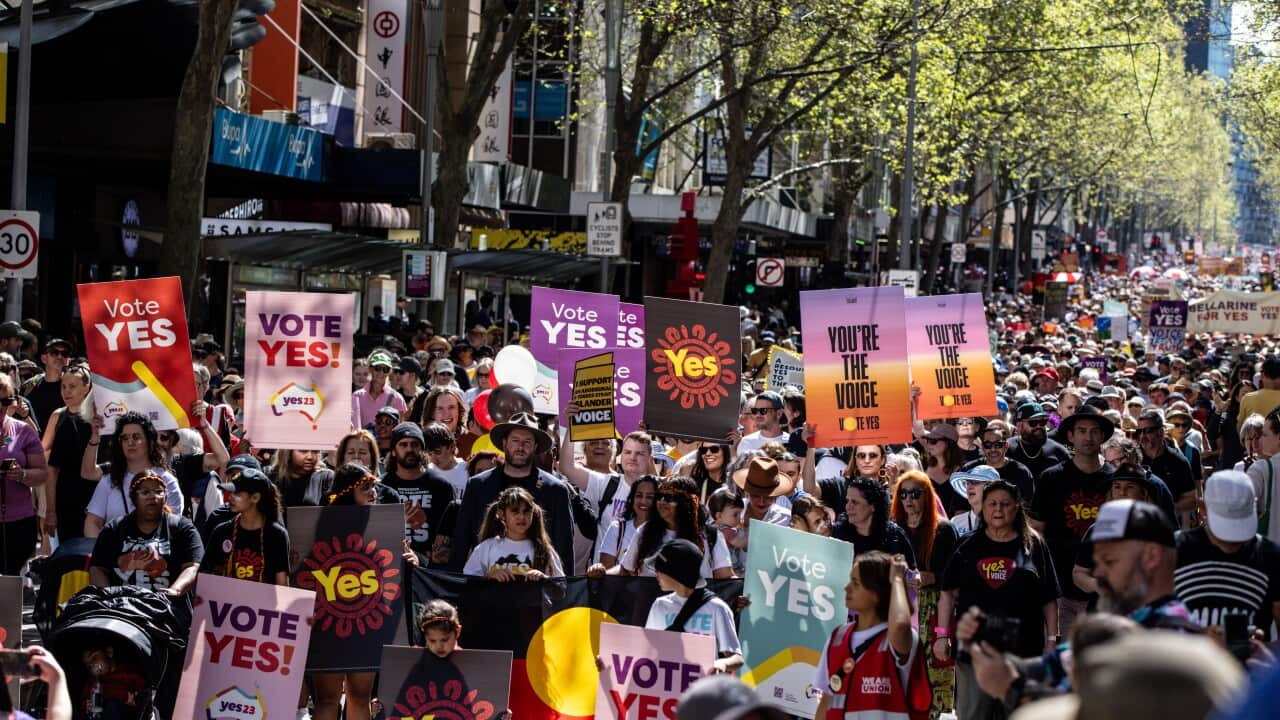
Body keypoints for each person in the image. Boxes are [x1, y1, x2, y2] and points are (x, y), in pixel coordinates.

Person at [939, 480, 1060, 720]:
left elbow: (1049, 599)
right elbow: (947, 592)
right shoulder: (967, 545)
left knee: (1020, 714)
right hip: (974, 651)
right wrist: (942, 634)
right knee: (974, 714)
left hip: (1024, 652)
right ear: (982, 508)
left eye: (1005, 504)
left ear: (1017, 508)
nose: (998, 509)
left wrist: (1051, 640)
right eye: (992, 503)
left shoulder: (1034, 545)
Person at [313, 463, 411, 720]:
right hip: (328, 623)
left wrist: (410, 560)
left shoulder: (386, 528)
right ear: (347, 491)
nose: (373, 492)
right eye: (365, 487)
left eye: (374, 487)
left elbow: (398, 570)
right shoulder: (318, 526)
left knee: (359, 696)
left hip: (367, 623)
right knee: (327, 699)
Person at [449, 413, 576, 572]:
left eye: (527, 442)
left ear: (536, 447)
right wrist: (453, 588)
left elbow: (564, 547)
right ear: (504, 443)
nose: (520, 447)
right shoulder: (478, 485)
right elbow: (461, 541)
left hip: (537, 588)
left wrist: (567, 591)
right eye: (515, 441)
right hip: (487, 587)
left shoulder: (555, 490)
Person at [812, 552, 930, 720]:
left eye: (856, 583)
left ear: (876, 593)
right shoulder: (838, 637)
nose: (847, 588)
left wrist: (896, 580)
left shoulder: (898, 637)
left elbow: (901, 625)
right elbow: (826, 702)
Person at [1030, 404, 1114, 636]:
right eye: (1082, 430)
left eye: (1094, 431)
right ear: (1070, 435)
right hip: (1060, 590)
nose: (1088, 437)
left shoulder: (1117, 480)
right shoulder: (1051, 478)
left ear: (1103, 436)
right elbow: (1036, 531)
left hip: (1104, 590)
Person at [1174, 470, 1280, 638]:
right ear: (1203, 508)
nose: (1231, 542)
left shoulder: (1270, 555)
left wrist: (1263, 650)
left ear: (1256, 505)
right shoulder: (1176, 549)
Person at [892, 471, 959, 719]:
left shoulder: (943, 530)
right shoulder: (893, 529)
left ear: (927, 496)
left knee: (931, 680)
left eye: (915, 493)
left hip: (933, 609)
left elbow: (952, 581)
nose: (909, 499)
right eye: (903, 493)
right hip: (899, 605)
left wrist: (927, 577)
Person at [1088, 499, 1200, 630]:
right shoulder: (1134, 623)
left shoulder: (1170, 632)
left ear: (1151, 556)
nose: (1097, 573)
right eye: (1097, 563)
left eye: (1109, 561)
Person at [88, 472, 202, 595]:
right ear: (134, 498)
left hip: (167, 607)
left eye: (158, 492)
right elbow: (97, 568)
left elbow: (193, 567)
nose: (153, 496)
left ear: (166, 498)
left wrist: (175, 590)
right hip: (120, 607)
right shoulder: (114, 529)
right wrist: (106, 596)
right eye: (145, 492)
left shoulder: (182, 528)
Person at [598, 476, 734, 580]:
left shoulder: (711, 536)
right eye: (659, 496)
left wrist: (741, 595)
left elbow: (725, 579)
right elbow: (625, 570)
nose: (662, 501)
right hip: (651, 611)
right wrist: (600, 573)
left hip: (696, 613)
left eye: (669, 498)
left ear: (687, 503)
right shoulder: (645, 531)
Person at [642, 538, 743, 674]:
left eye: (660, 570)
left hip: (701, 690)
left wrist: (722, 663)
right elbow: (646, 651)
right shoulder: (659, 605)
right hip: (665, 686)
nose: (656, 574)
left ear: (675, 573)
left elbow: (736, 658)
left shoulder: (717, 608)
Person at [559, 420, 652, 557]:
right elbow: (566, 467)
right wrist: (572, 425)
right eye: (628, 452)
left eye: (639, 453)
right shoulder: (605, 483)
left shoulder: (658, 490)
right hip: (603, 573)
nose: (632, 457)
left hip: (641, 574)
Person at [82, 412, 181, 538]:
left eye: (136, 437)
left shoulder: (168, 481)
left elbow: (173, 527)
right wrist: (101, 553)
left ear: (149, 440)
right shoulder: (109, 480)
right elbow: (93, 522)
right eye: (124, 438)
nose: (130, 442)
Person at [381, 422, 457, 568]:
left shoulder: (441, 487)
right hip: (390, 565)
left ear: (422, 450)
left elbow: (449, 533)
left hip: (430, 568)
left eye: (415, 444)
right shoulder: (382, 487)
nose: (410, 449)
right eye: (403, 445)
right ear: (394, 451)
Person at [199, 468, 290, 585]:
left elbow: (282, 584)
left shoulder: (277, 535)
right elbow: (205, 573)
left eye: (236, 493)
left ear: (255, 498)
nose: (230, 497)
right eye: (231, 492)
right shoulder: (221, 531)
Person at [41, 364, 94, 543]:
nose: (66, 392)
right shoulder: (59, 417)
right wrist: (50, 511)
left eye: (72, 386)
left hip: (95, 500)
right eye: (64, 386)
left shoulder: (100, 419)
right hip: (66, 500)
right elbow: (51, 467)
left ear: (87, 388)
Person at [462, 485, 564, 579]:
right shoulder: (487, 547)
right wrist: (488, 577)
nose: (521, 517)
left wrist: (544, 579)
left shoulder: (544, 550)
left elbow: (561, 590)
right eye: (515, 511)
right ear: (502, 514)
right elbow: (467, 583)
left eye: (526, 511)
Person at [0, 368, 46, 574]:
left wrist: (22, 475)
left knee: (11, 582)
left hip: (19, 521)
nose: (1, 407)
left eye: (6, 401)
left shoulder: (23, 430)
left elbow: (42, 473)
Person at [831, 477, 916, 564]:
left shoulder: (895, 537)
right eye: (847, 501)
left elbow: (912, 572)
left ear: (873, 506)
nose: (848, 507)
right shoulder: (837, 534)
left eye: (855, 502)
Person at [1135, 409, 1197, 527]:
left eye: (1148, 431)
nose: (1142, 436)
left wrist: (1166, 508)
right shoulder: (1133, 458)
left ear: (1161, 432)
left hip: (1168, 526)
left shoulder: (1178, 462)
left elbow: (1191, 500)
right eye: (1139, 431)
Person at [964, 420, 1034, 503]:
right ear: (982, 447)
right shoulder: (969, 470)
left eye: (998, 445)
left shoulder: (1021, 472)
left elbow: (1027, 508)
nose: (993, 449)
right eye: (988, 445)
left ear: (1006, 446)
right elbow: (960, 508)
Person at [597, 475, 657, 569]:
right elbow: (606, 573)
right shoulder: (617, 529)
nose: (643, 501)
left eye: (650, 497)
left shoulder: (666, 532)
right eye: (639, 495)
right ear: (632, 499)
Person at [1007, 403, 1071, 480]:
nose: (1039, 426)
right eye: (1033, 423)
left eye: (1042, 422)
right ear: (1019, 425)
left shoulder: (1058, 450)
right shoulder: (1007, 448)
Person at [1244, 408, 1280, 544]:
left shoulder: (1261, 468)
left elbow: (1242, 506)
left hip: (1271, 553)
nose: (1260, 441)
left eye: (1264, 435)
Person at [732, 457, 793, 534]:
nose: (761, 502)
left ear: (776, 495)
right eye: (756, 495)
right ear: (747, 491)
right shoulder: (731, 510)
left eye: (768, 497)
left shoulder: (786, 519)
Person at [22, 337, 72, 429]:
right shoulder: (30, 386)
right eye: (54, 353)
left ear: (68, 360)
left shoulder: (74, 387)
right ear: (44, 358)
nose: (60, 357)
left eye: (64, 354)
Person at [351, 350, 407, 430]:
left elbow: (400, 428)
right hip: (362, 441)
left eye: (385, 369)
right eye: (377, 368)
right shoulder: (357, 396)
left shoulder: (397, 398)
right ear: (370, 369)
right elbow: (354, 427)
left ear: (389, 372)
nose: (381, 372)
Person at [922, 423, 969, 516]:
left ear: (949, 443)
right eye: (928, 440)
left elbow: (962, 507)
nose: (929, 444)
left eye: (934, 441)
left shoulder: (963, 471)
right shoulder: (924, 466)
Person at [269, 449, 334, 509]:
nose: (310, 457)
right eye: (303, 451)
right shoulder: (273, 477)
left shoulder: (326, 477)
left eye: (315, 451)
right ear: (288, 452)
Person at [949, 465, 1000, 537]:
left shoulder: (1003, 520)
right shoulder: (955, 522)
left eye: (975, 482)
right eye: (967, 483)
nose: (969, 487)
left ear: (991, 487)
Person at [424, 422, 469, 498]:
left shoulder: (467, 470)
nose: (433, 460)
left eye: (438, 452)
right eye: (429, 454)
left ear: (451, 447)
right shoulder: (426, 472)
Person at [1237, 354, 1280, 429]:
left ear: (1262, 375)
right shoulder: (1248, 398)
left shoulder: (1248, 398)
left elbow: (1240, 428)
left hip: (1254, 440)